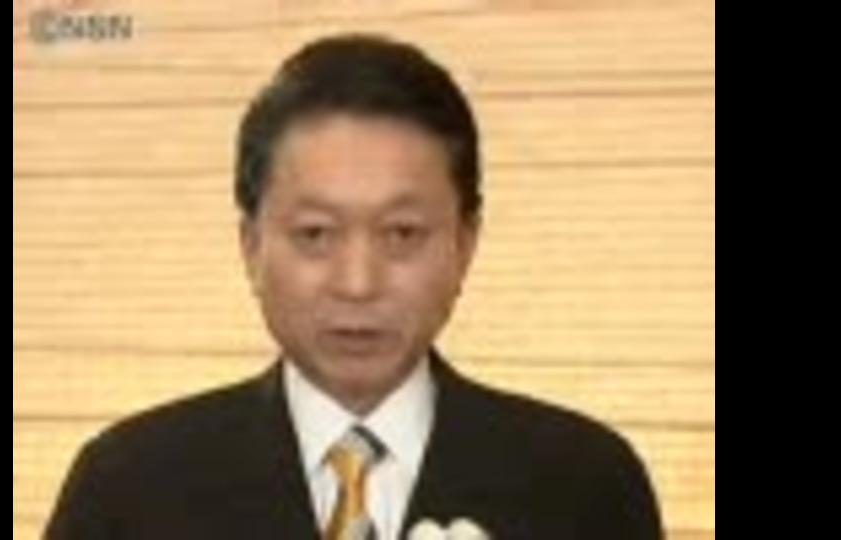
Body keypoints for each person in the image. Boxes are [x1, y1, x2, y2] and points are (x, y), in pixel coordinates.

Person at [44, 33, 663, 540]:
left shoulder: (584, 485)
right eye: (315, 234)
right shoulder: (128, 487)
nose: (358, 283)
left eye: (402, 233)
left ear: (465, 243)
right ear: (251, 245)